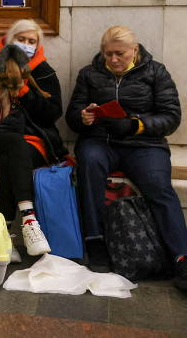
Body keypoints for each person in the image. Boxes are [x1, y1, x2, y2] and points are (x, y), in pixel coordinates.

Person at [66, 25, 186, 292]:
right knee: (89, 165)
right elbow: (73, 115)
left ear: (135, 50)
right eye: (108, 54)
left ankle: (181, 256)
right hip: (101, 141)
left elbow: (171, 117)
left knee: (159, 187)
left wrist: (136, 124)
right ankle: (94, 240)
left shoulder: (156, 72)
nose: (113, 60)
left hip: (144, 144)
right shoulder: (89, 74)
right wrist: (83, 118)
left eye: (119, 54)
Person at [0, 19, 67, 260]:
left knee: (13, 153)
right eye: (21, 39)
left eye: (31, 41)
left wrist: (25, 92)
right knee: (12, 146)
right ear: (9, 40)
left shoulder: (43, 71)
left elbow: (52, 114)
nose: (25, 45)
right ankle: (29, 219)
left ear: (38, 45)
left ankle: (4, 237)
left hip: (33, 141)